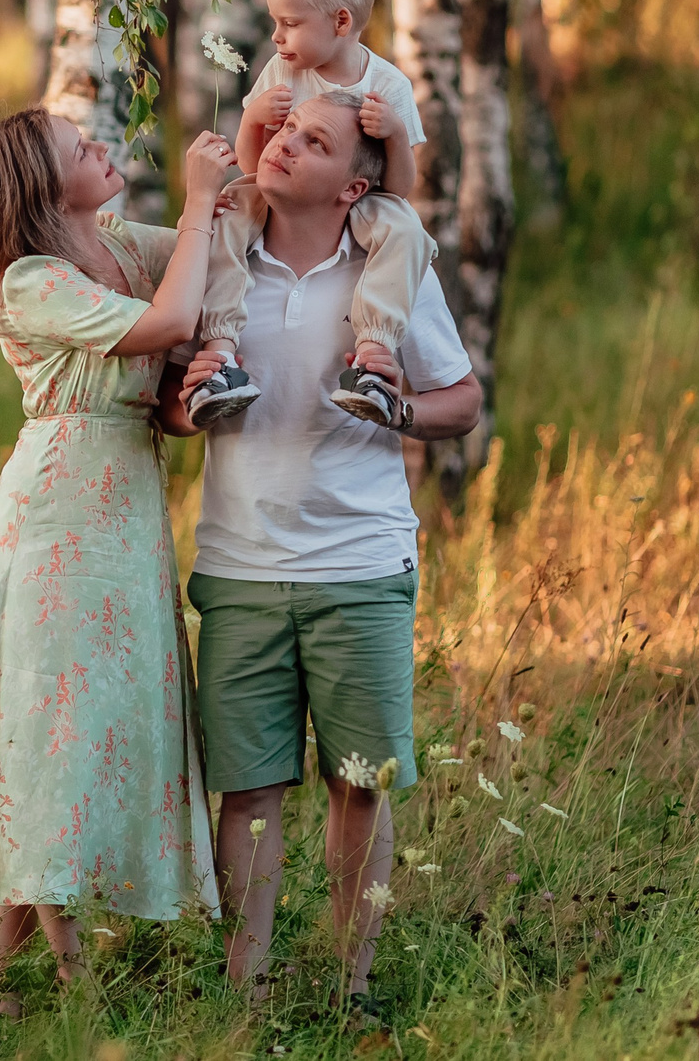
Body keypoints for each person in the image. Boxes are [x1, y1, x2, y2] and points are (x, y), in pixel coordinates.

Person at [159, 89, 482, 1014]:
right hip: (239, 566)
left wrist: (402, 409)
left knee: (361, 788)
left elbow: (463, 401)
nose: (285, 146)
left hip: (361, 566)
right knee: (249, 792)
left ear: (355, 185)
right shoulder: (221, 263)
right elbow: (174, 415)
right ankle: (244, 992)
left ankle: (350, 986)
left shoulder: (387, 272)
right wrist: (193, 398)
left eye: (315, 140)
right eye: (285, 130)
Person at [0, 107, 235, 1018]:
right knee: (52, 736)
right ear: (42, 187)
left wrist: (273, 120)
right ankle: (75, 983)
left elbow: (221, 241)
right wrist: (194, 199)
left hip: (128, 517)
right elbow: (170, 315)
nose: (103, 149)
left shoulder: (115, 244)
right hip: (56, 524)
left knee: (85, 726)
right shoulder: (34, 279)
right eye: (82, 149)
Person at [185, 0, 439, 432]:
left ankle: (371, 352)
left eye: (290, 24)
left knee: (406, 229)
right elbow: (254, 169)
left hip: (360, 202)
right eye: (276, 22)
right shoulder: (282, 70)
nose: (277, 37)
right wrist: (253, 120)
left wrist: (395, 134)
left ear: (341, 22)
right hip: (278, 193)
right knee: (228, 212)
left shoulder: (388, 86)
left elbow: (399, 187)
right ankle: (220, 357)